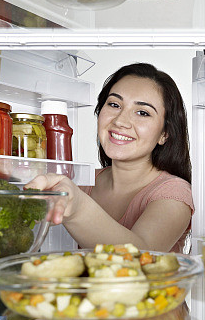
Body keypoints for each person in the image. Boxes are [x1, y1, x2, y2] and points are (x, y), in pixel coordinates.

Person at [26, 62, 193, 253]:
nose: (120, 121)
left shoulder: (175, 193)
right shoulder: (81, 182)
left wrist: (77, 207)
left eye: (142, 112)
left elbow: (142, 254)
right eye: (114, 104)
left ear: (165, 133)